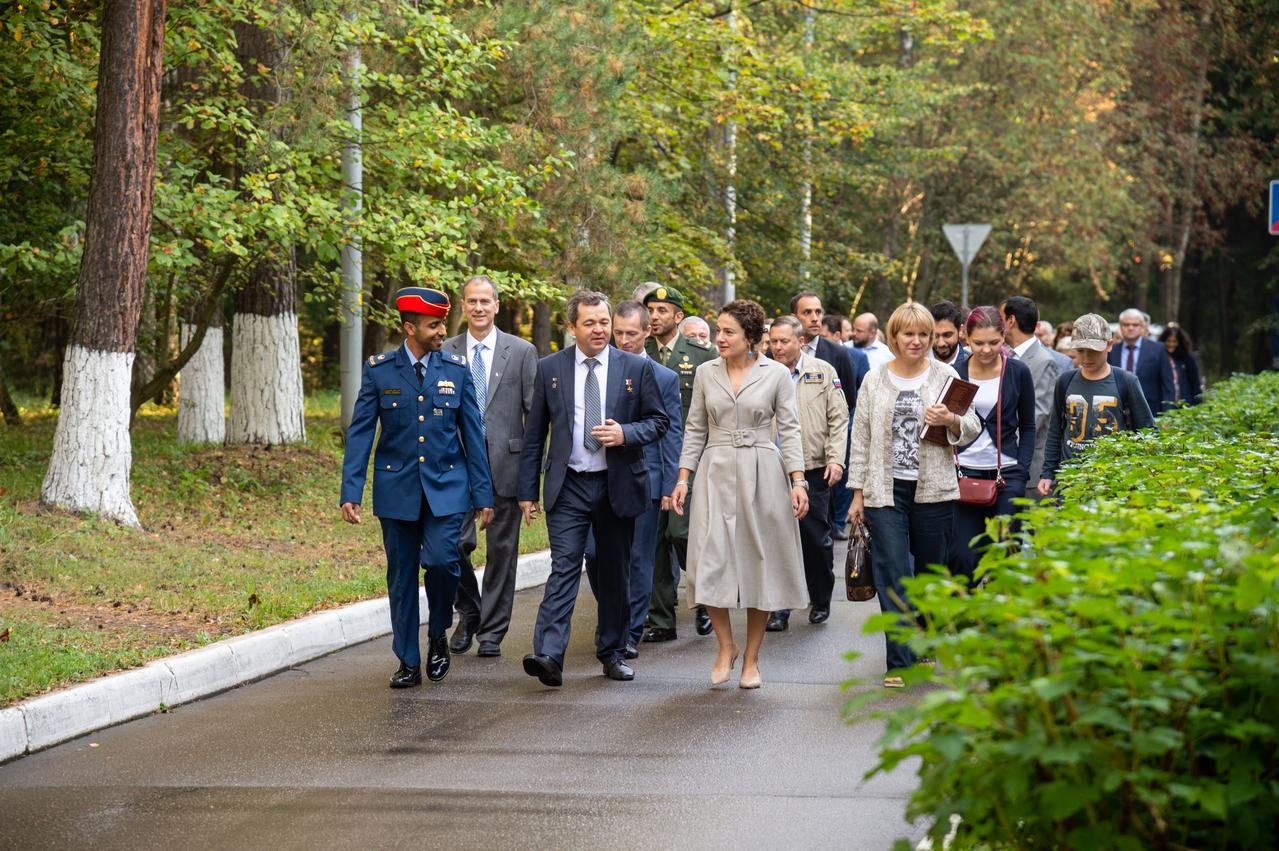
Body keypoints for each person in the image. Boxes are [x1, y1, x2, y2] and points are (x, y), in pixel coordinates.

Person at [340, 287, 494, 688]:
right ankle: (408, 661)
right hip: (398, 490)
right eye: (434, 324)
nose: (443, 329)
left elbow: (473, 438)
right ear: (409, 327)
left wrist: (483, 495)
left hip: (447, 487)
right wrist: (351, 491)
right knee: (402, 576)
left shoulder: (456, 371)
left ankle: (438, 633)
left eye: (443, 322)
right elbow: (360, 434)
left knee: (444, 561)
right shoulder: (379, 370)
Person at [517, 290, 670, 687]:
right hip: (568, 485)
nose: (600, 329)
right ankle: (549, 653)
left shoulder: (635, 368)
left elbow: (659, 422)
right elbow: (535, 433)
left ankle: (613, 652)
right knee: (564, 566)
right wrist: (526, 491)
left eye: (604, 322)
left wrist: (625, 433)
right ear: (572, 327)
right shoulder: (551, 368)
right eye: (590, 323)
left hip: (616, 484)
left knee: (614, 570)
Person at [672, 299, 810, 690]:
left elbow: (790, 429)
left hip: (762, 473)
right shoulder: (704, 373)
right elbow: (695, 428)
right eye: (718, 330)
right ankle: (725, 646)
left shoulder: (776, 375)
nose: (720, 338)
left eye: (728, 332)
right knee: (710, 560)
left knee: (757, 565)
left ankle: (751, 659)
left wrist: (798, 481)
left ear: (750, 337)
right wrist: (684, 478)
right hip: (715, 472)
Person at [847, 302, 981, 688]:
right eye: (909, 334)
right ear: (894, 337)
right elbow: (862, 438)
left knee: (929, 570)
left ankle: (923, 638)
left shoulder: (945, 374)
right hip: (884, 489)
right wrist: (857, 493)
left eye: (924, 334)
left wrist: (950, 419)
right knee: (893, 572)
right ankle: (899, 660)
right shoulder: (874, 379)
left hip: (934, 488)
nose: (918, 341)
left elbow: (971, 425)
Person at [443, 275, 538, 658]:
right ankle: (469, 610)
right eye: (472, 301)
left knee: (502, 552)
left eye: (486, 301)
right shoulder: (446, 350)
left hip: (507, 465)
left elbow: (535, 417)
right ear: (462, 307)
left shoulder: (521, 351)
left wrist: (532, 480)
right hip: (456, 468)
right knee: (451, 543)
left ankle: (492, 633)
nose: (479, 308)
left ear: (497, 305)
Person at [583, 301, 683, 659]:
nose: (623, 340)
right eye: (618, 332)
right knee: (595, 555)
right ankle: (614, 613)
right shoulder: (595, 368)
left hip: (646, 479)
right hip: (598, 479)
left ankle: (628, 631)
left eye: (630, 333)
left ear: (647, 333)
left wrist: (672, 484)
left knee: (640, 560)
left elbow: (671, 433)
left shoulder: (664, 377)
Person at [763, 316, 847, 631]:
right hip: (772, 468)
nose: (778, 347)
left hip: (813, 468)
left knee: (815, 539)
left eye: (784, 341)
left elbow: (839, 419)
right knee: (775, 540)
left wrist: (836, 459)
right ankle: (780, 607)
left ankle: (820, 599)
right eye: (773, 342)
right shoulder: (761, 373)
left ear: (800, 342)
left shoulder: (822, 372)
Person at [642, 285, 716, 642]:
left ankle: (704, 598)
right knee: (655, 537)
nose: (654, 316)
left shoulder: (700, 354)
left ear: (678, 316)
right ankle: (661, 619)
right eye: (650, 310)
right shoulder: (638, 352)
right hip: (648, 458)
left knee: (681, 532)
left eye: (661, 310)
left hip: (689, 459)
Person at [951, 307, 1036, 584]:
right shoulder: (955, 372)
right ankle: (969, 615)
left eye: (994, 342)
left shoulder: (1018, 372)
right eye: (978, 343)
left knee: (1004, 551)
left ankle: (1000, 618)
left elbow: (1028, 425)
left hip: (1007, 475)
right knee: (964, 557)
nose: (986, 350)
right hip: (964, 473)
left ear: (1004, 336)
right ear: (966, 337)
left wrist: (1022, 471)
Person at [1037, 314, 1155, 496]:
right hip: (1070, 480)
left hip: (1112, 481)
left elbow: (1147, 431)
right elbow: (1055, 430)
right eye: (1081, 350)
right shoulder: (1065, 381)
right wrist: (1047, 473)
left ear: (1109, 345)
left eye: (1093, 350)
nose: (1087, 356)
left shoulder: (1126, 381)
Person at [791, 292, 862, 542]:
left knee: (818, 532)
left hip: (819, 460)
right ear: (794, 317)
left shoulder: (837, 354)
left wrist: (835, 456)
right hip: (784, 457)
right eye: (807, 312)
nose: (814, 318)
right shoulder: (776, 354)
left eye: (818, 312)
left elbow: (847, 404)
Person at [1001, 296, 1060, 491]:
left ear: (1010, 321)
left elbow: (1038, 415)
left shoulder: (1043, 361)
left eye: (1000, 318)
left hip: (1028, 468)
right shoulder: (1005, 355)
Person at [1108, 308, 1176, 414]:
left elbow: (1168, 386)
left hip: (1151, 411)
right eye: (1126, 325)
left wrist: (1167, 415)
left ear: (1142, 327)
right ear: (1120, 327)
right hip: (1118, 412)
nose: (1130, 328)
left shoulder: (1158, 349)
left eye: (1135, 325)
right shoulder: (1112, 350)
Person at [1160, 324, 1203, 405]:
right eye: (1168, 341)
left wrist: (1198, 404)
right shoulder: (1159, 358)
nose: (1171, 344)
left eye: (1174, 341)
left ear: (1179, 342)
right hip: (1165, 404)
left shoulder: (1187, 358)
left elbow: (1195, 383)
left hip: (1185, 403)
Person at [930, 300, 968, 368]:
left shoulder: (971, 364)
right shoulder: (916, 361)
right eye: (935, 336)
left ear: (960, 331)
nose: (941, 343)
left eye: (947, 335)